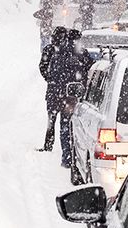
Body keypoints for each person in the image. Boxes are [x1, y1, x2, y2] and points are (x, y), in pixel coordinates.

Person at [38, 26, 90, 166]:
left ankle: (50, 145)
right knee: (65, 125)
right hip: (70, 95)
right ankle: (67, 157)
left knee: (52, 119)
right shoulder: (80, 53)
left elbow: (42, 66)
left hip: (54, 92)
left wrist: (50, 79)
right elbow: (88, 69)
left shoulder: (52, 50)